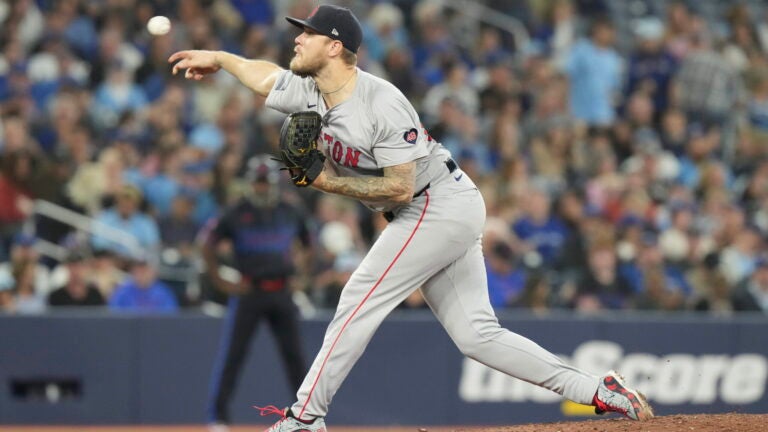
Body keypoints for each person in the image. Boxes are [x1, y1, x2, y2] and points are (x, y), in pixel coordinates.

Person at [169, 5, 655, 431]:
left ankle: (304, 418)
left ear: (335, 47)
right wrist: (221, 59)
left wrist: (324, 183)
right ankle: (599, 388)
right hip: (431, 207)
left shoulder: (380, 101)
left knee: (357, 300)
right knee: (478, 336)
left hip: (434, 201)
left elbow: (399, 186)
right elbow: (265, 76)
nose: (297, 37)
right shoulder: (311, 89)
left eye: (308, 33)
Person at [201, 155, 310, 431]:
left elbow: (309, 243)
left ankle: (306, 417)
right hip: (249, 290)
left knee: (295, 357)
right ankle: (219, 417)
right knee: (233, 355)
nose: (261, 188)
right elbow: (207, 244)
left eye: (265, 183)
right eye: (258, 183)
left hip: (282, 290)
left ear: (273, 184)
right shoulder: (236, 212)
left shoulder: (290, 210)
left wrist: (303, 277)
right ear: (251, 183)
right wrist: (220, 281)